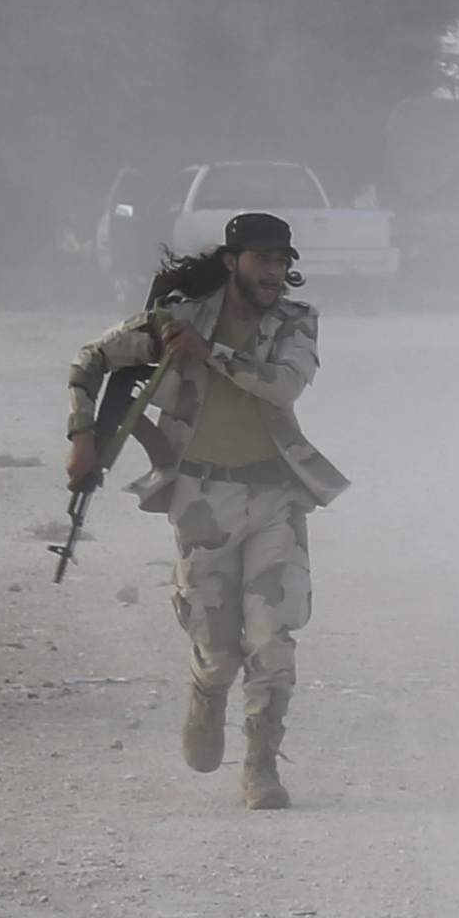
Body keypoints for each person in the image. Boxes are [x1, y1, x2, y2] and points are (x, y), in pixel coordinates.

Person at [61, 210, 350, 814]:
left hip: (275, 497)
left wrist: (209, 352)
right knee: (218, 651)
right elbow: (90, 360)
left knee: (273, 639)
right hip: (202, 499)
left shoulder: (295, 322)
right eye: (262, 260)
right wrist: (84, 436)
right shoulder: (178, 320)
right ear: (231, 262)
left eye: (282, 262)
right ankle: (206, 692)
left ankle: (261, 766)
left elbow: (281, 385)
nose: (274, 272)